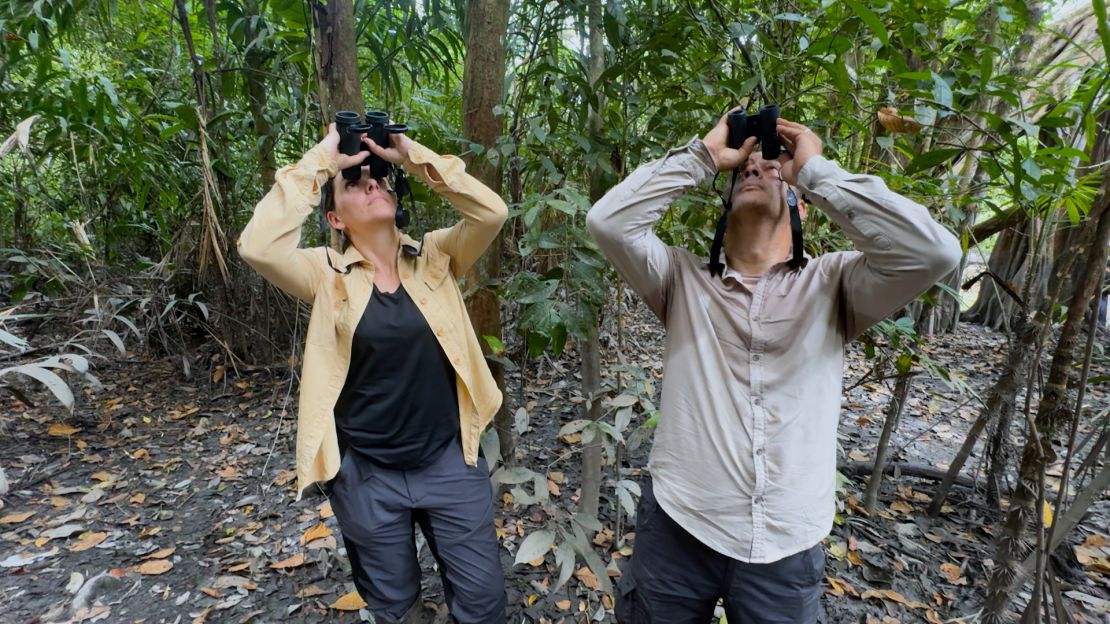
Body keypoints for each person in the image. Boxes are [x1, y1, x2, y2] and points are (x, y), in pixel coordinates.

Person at [586, 110, 962, 623]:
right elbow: (609, 221)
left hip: (787, 541)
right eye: (743, 171)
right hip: (680, 524)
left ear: (801, 204)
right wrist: (704, 156)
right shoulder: (681, 279)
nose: (753, 170)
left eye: (770, 168)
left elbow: (935, 250)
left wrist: (815, 169)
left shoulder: (835, 284)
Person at [239, 121, 508, 624]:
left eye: (378, 178)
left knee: (484, 602)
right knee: (396, 607)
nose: (371, 183)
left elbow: (491, 211)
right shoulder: (325, 273)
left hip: (448, 459)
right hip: (366, 474)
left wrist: (409, 156)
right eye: (355, 182)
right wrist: (324, 158)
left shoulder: (436, 257)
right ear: (335, 219)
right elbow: (258, 247)